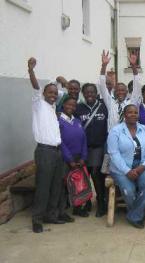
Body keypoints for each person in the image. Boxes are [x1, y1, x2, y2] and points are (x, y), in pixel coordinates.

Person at [28, 57, 65, 233]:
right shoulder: (38, 104)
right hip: (44, 152)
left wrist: (60, 82)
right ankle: (37, 218)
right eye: (50, 93)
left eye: (54, 93)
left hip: (57, 152)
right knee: (43, 186)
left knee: (56, 185)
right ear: (44, 94)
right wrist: (31, 71)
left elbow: (64, 91)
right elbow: (35, 87)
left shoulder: (52, 108)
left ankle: (52, 214)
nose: (53, 95)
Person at [107, 104, 145, 229]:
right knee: (128, 191)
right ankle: (139, 213)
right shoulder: (116, 131)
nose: (133, 115)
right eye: (130, 112)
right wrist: (127, 170)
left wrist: (142, 167)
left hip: (142, 166)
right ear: (124, 114)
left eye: (136, 112)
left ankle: (134, 215)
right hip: (120, 168)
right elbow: (113, 153)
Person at [75, 83, 108, 217]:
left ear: (96, 93)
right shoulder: (79, 108)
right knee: (85, 175)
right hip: (83, 148)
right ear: (83, 94)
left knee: (96, 173)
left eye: (92, 92)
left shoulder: (103, 106)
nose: (90, 95)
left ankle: (101, 203)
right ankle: (86, 202)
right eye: (87, 92)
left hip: (98, 146)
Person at [58, 96, 89, 217]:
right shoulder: (58, 121)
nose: (71, 107)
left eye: (73, 105)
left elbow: (83, 140)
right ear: (63, 105)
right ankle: (62, 210)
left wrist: (83, 157)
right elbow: (60, 142)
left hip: (79, 158)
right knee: (63, 184)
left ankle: (77, 208)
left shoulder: (77, 121)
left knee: (78, 184)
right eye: (68, 105)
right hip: (65, 158)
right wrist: (69, 159)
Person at [97, 50, 139, 131]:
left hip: (128, 136)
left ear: (127, 92)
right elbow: (102, 85)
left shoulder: (131, 102)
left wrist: (133, 66)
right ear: (114, 92)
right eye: (117, 90)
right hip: (113, 137)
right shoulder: (110, 102)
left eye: (122, 90)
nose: (120, 92)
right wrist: (104, 66)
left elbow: (137, 85)